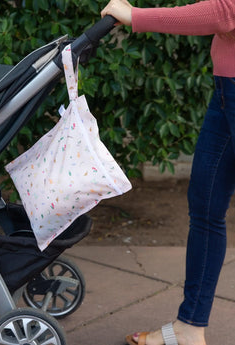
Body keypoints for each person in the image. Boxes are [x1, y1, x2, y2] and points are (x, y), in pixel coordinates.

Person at [101, 0, 235, 345]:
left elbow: (226, 11)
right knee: (205, 206)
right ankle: (190, 326)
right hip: (226, 89)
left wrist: (136, 16)